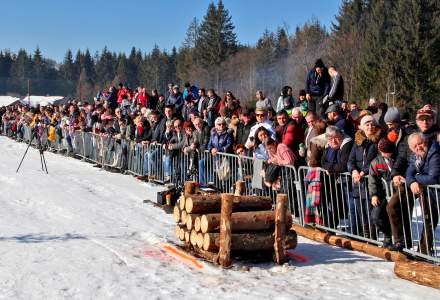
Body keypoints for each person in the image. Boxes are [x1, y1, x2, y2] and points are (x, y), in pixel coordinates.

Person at [387, 107, 439, 251]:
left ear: (433, 120)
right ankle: (402, 241)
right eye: (422, 120)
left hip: (430, 185)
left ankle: (424, 250)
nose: (425, 122)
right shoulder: (410, 136)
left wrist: (416, 179)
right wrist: (397, 174)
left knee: (428, 217)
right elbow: (405, 161)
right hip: (413, 182)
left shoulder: (436, 139)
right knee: (394, 205)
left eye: (428, 119)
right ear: (417, 121)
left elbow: (434, 175)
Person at [348, 115, 383, 237]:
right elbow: (350, 160)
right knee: (360, 211)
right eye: (367, 124)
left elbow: (377, 160)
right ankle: (365, 236)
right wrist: (353, 171)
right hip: (358, 183)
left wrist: (363, 172)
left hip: (370, 181)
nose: (370, 127)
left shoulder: (379, 141)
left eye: (372, 124)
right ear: (362, 127)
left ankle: (373, 237)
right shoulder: (357, 141)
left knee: (370, 212)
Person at [406, 132, 440, 255]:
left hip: (436, 191)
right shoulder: (416, 156)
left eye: (420, 143)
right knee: (428, 221)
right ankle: (424, 252)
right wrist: (412, 182)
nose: (418, 147)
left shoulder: (434, 152)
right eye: (415, 146)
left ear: (425, 142)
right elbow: (409, 173)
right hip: (431, 194)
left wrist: (416, 178)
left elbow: (433, 178)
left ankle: (424, 252)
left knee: (429, 221)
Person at [320, 126, 353, 229]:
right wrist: (330, 168)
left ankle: (355, 230)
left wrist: (330, 168)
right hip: (334, 181)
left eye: (336, 137)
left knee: (351, 206)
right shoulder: (328, 146)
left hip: (347, 181)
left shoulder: (346, 144)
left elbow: (343, 166)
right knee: (331, 204)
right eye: (330, 139)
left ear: (341, 136)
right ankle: (330, 226)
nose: (333, 141)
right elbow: (323, 162)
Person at [367, 138, 395, 248]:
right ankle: (388, 235)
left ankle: (400, 241)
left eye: (388, 153)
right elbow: (372, 180)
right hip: (382, 194)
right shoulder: (376, 162)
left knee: (396, 217)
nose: (386, 155)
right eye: (383, 153)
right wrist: (374, 195)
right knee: (376, 215)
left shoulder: (397, 159)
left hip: (396, 194)